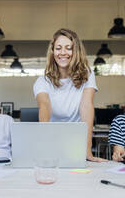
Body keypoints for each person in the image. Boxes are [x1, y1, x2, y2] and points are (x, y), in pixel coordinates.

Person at [33, 28, 105, 162]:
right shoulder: (42, 81)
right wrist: (44, 145)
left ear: (75, 51)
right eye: (58, 48)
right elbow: (45, 106)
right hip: (52, 140)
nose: (63, 53)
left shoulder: (87, 75)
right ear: (52, 51)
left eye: (68, 48)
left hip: (76, 142)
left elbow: (86, 107)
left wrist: (87, 151)